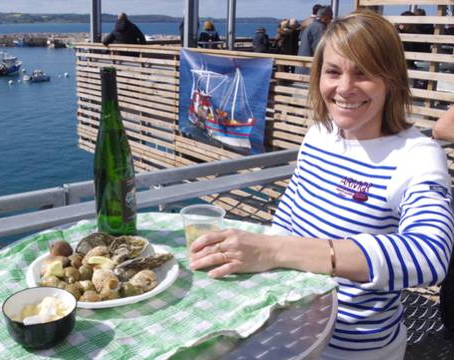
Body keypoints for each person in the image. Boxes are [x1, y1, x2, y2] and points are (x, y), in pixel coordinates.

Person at [190, 10, 453, 360]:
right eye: (333, 72)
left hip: (355, 349)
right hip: (290, 332)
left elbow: (428, 255)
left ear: (391, 79)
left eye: (364, 73)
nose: (344, 88)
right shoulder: (319, 136)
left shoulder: (417, 156)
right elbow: (289, 214)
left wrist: (276, 252)